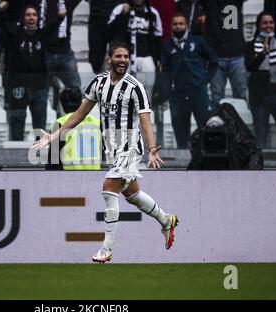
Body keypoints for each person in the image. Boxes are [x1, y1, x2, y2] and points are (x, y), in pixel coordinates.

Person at [33, 42, 178, 263]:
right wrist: (54, 136)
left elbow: (146, 122)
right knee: (133, 195)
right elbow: (78, 115)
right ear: (109, 59)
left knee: (109, 189)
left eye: (126, 56)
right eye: (118, 56)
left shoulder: (136, 87)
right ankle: (166, 220)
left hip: (130, 148)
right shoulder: (99, 83)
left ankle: (106, 249)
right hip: (112, 148)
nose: (123, 60)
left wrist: (152, 150)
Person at [5, 4, 66, 141]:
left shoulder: (42, 35)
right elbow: (2, 24)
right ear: (23, 18)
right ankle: (16, 158)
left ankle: (40, 157)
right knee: (17, 122)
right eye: (28, 15)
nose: (31, 17)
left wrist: (60, 17)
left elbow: (53, 26)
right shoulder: (16, 34)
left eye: (34, 14)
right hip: (19, 86)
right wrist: (2, 11)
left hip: (39, 87)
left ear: (38, 18)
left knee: (39, 125)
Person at [161, 13, 218, 148]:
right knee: (181, 131)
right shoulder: (167, 45)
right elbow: (165, 72)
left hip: (198, 91)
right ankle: (183, 162)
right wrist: (169, 93)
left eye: (181, 24)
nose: (178, 26)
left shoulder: (198, 41)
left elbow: (214, 61)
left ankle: (208, 160)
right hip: (178, 94)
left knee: (205, 126)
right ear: (171, 27)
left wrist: (206, 81)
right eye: (175, 24)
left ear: (186, 26)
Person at [245, 11, 276, 149]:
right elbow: (250, 66)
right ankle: (260, 165)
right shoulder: (251, 44)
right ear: (259, 25)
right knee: (261, 132)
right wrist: (263, 53)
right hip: (259, 96)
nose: (268, 25)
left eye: (271, 22)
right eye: (264, 23)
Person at [200, 0, 248, 109]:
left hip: (237, 54)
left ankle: (239, 125)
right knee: (216, 97)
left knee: (241, 95)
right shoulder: (209, 3)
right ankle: (217, 125)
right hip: (216, 56)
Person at [46, 86, 102, 170]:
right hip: (95, 174)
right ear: (81, 103)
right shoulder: (96, 123)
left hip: (69, 176)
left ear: (62, 105)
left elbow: (53, 162)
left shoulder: (60, 124)